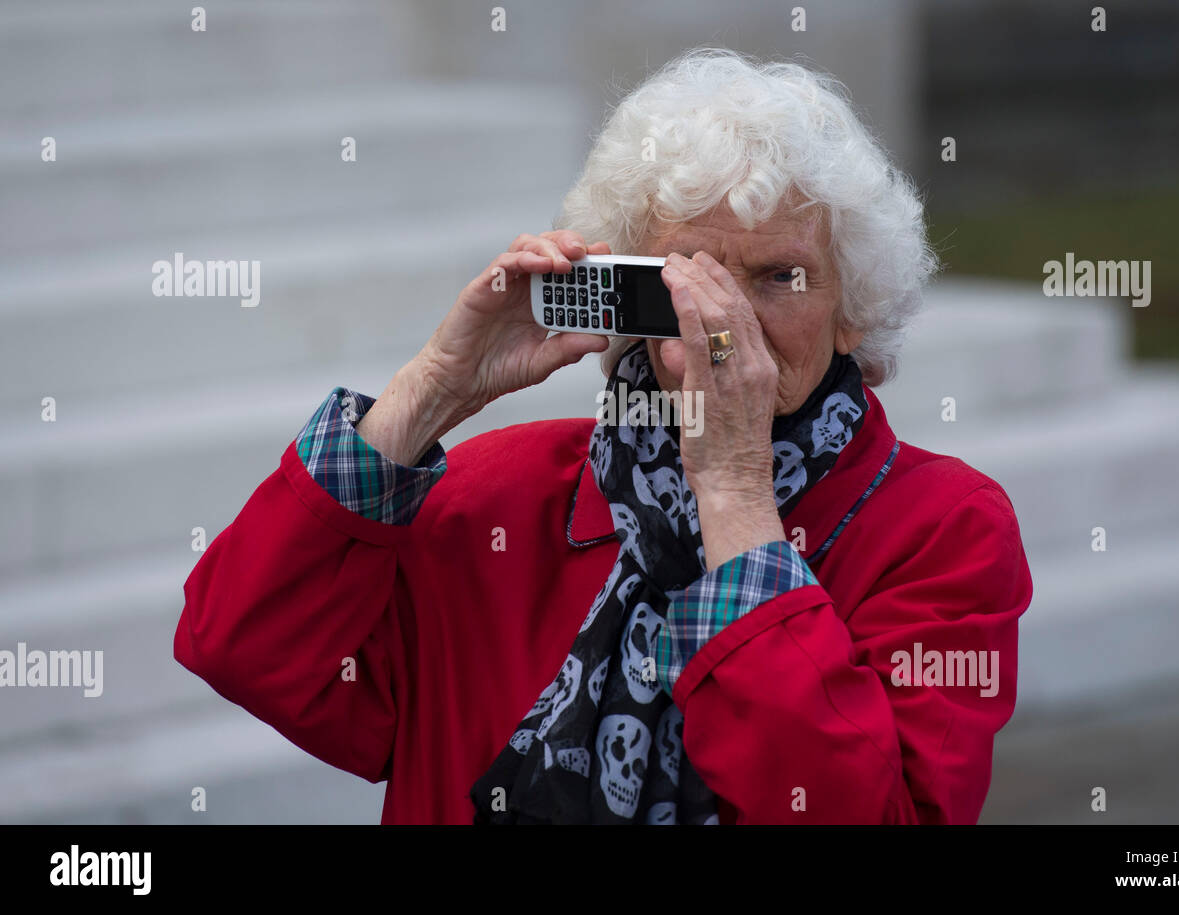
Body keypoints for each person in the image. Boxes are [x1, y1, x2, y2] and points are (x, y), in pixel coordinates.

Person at [175, 47, 1032, 824]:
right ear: (623, 295)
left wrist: (733, 494)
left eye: (781, 276)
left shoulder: (942, 529)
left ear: (852, 314)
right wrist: (431, 389)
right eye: (684, 279)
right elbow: (243, 645)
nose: (724, 320)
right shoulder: (499, 495)